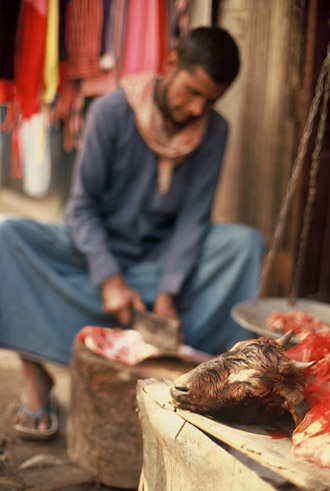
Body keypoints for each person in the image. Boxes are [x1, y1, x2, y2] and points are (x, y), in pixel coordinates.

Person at [0, 26, 264, 439]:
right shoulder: (111, 111)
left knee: (244, 245)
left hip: (157, 263)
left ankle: (216, 385)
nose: (198, 109)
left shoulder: (215, 131)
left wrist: (166, 295)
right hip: (93, 253)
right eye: (192, 91)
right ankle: (37, 379)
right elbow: (82, 208)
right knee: (8, 234)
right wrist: (110, 279)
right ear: (171, 63)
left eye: (210, 100)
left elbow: (193, 220)